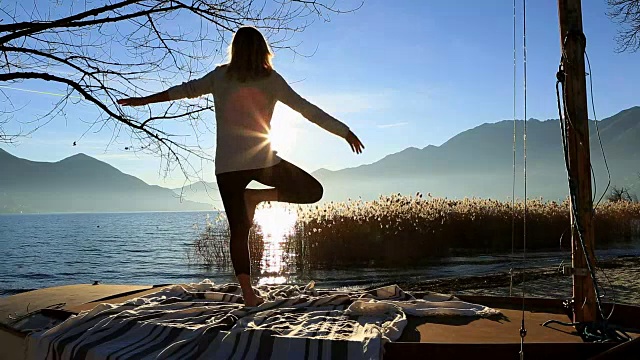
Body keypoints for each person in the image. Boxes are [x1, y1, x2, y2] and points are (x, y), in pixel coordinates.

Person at [118, 26, 364, 306]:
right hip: (262, 161)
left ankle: (248, 292)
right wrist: (344, 131)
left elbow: (184, 91)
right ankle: (257, 201)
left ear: (235, 49)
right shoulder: (268, 79)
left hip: (228, 166)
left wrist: (145, 100)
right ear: (263, 49)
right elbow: (307, 109)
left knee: (239, 230)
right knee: (312, 191)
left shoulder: (221, 76)